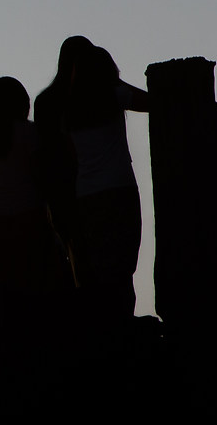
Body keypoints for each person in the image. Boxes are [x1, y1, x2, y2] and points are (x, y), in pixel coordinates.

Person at [34, 36, 149, 318]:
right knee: (121, 267)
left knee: (86, 269)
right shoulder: (111, 93)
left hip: (75, 195)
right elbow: (150, 101)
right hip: (117, 189)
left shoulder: (54, 105)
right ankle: (120, 322)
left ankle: (95, 328)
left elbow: (52, 156)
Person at [0, 75, 71, 294]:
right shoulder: (29, 133)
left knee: (6, 283)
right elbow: (40, 173)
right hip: (29, 213)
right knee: (34, 280)